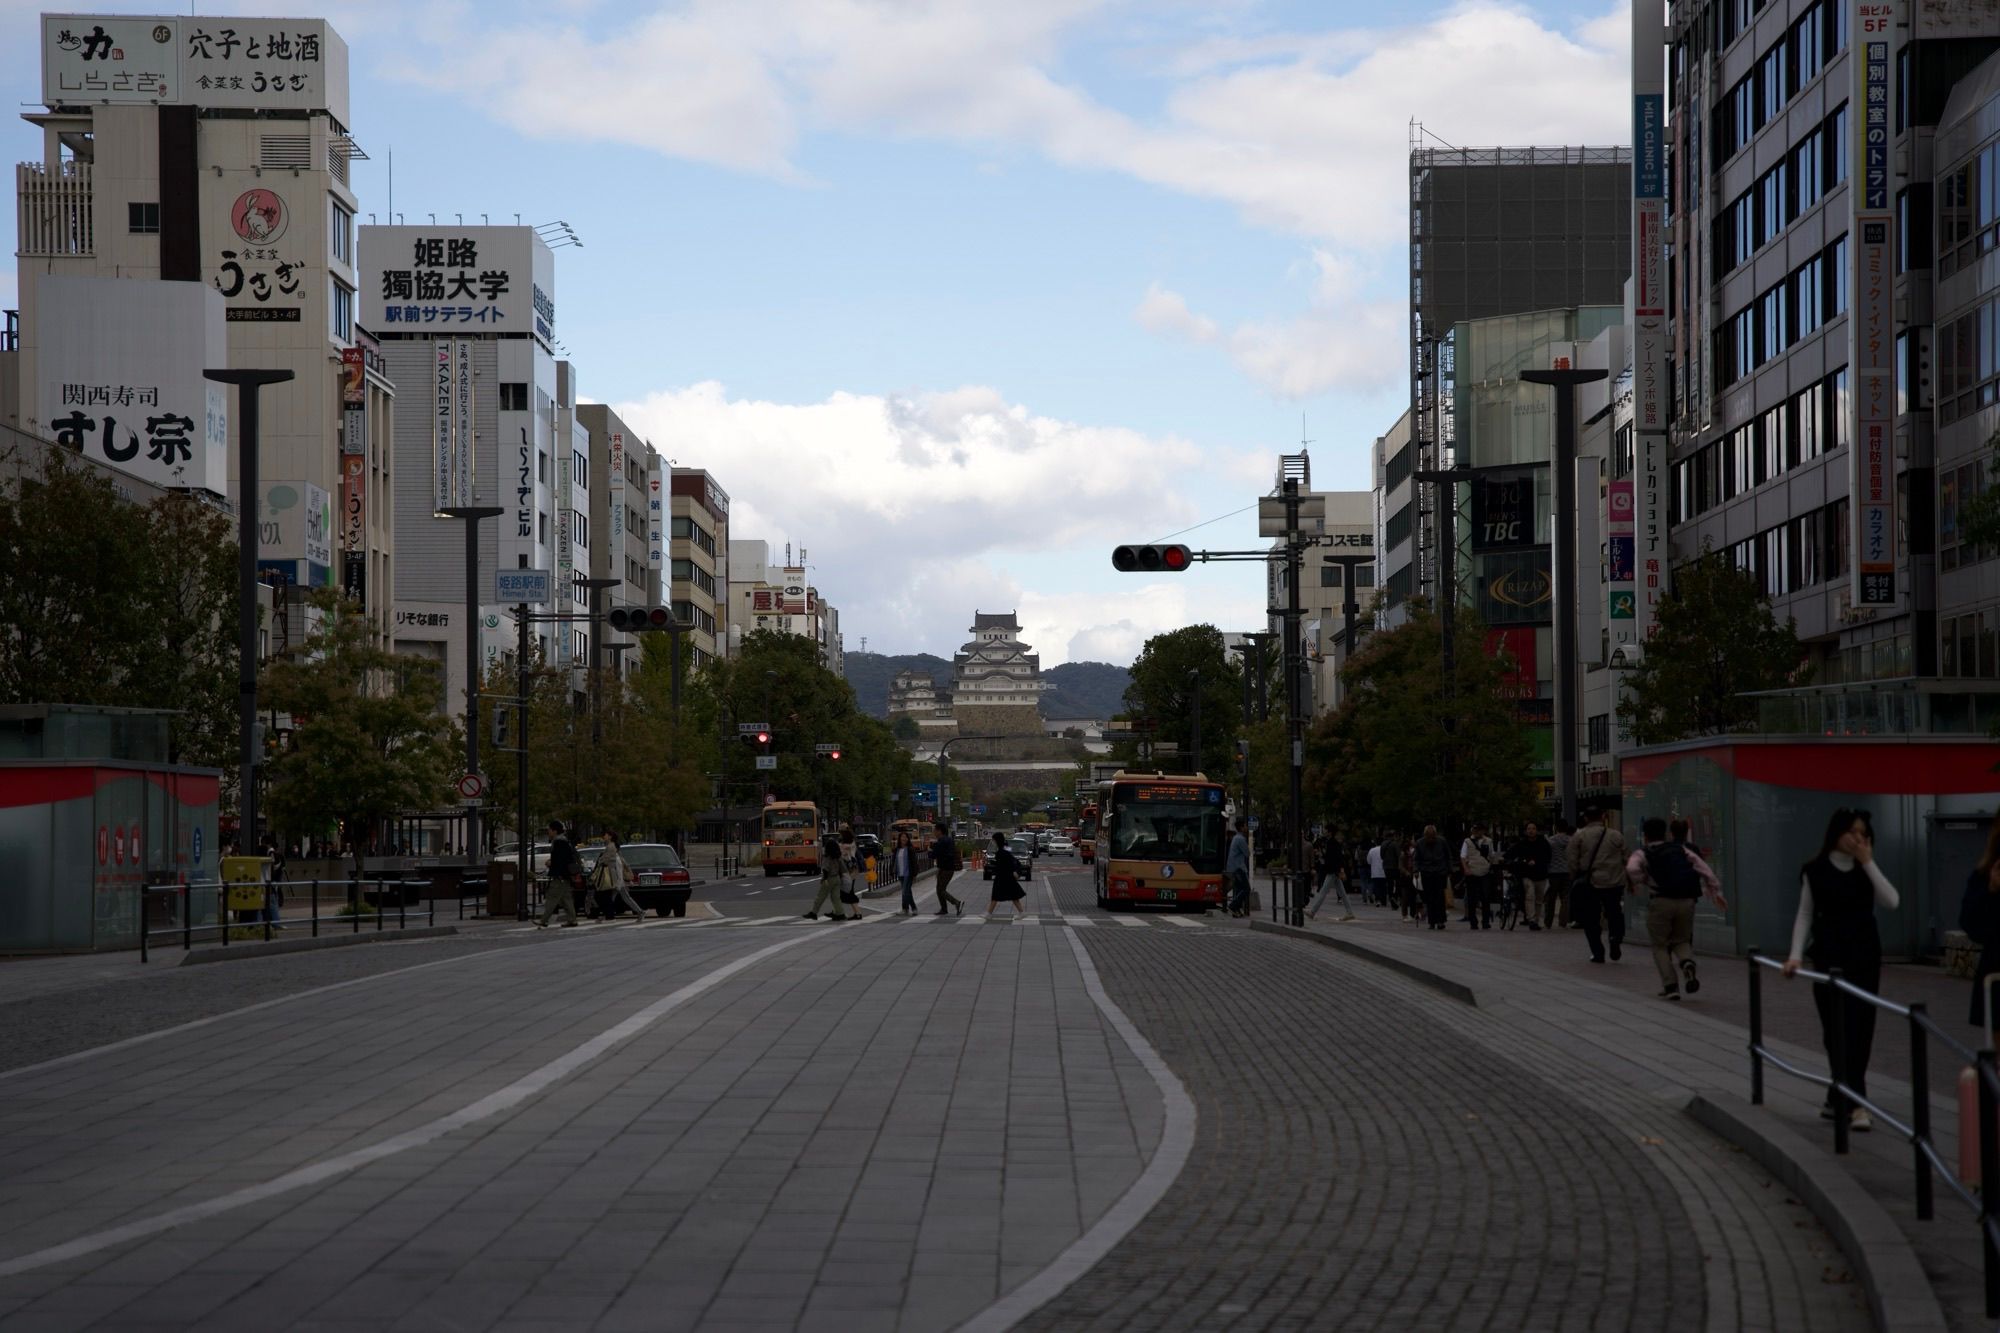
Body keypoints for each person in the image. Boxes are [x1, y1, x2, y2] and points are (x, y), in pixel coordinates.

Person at [1783, 809, 1899, 1132]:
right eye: (1852, 832)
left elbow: (1892, 901)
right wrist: (1794, 956)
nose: (1857, 839)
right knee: (1835, 1031)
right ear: (1836, 833)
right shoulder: (1815, 870)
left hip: (1864, 956)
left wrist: (1868, 862)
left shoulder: (1866, 871)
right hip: (1829, 957)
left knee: (1861, 1028)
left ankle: (1848, 1100)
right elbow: (1805, 914)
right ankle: (1849, 1099)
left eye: (1863, 834)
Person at [1626, 816, 1725, 1000]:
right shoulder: (1681, 849)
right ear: (1665, 833)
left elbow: (1631, 870)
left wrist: (1642, 880)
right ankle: (1687, 962)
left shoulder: (1642, 853)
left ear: (1645, 835)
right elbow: (1704, 869)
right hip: (1686, 901)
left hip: (1661, 901)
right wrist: (1716, 891)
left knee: (1660, 945)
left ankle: (1671, 986)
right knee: (1682, 940)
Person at [1567, 807, 1628, 963]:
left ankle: (1597, 951)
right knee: (1614, 911)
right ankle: (1615, 937)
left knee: (1591, 918)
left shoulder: (1579, 836)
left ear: (1586, 818)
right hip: (1614, 881)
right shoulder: (1616, 835)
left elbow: (1572, 860)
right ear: (1603, 817)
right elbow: (1626, 857)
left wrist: (1574, 877)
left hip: (1590, 881)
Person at [1506, 822, 1553, 932]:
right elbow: (1510, 854)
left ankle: (1536, 920)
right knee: (1530, 896)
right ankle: (1531, 919)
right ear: (1526, 831)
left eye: (1533, 828)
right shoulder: (1522, 844)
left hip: (1541, 874)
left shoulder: (1543, 843)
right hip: (1527, 874)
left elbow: (1548, 857)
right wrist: (1524, 861)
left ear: (1537, 830)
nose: (1531, 830)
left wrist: (1537, 861)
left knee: (1539, 899)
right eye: (1529, 828)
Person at [592, 833, 649, 924]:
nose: (604, 837)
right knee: (618, 898)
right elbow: (623, 864)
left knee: (611, 898)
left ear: (610, 837)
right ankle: (640, 912)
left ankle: (605, 916)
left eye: (606, 835)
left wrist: (600, 861)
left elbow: (607, 861)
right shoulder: (614, 849)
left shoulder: (611, 848)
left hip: (616, 878)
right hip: (617, 878)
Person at [536, 820, 580, 929]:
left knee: (552, 897)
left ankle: (544, 920)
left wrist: (551, 863)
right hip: (565, 875)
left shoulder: (559, 842)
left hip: (559, 875)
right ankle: (572, 919)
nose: (548, 832)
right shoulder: (565, 841)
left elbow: (560, 860)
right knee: (566, 899)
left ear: (554, 831)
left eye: (549, 830)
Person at [1307, 833, 1357, 921]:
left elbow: (1337, 858)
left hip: (1333, 872)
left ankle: (1312, 912)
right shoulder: (1334, 844)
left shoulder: (1333, 844)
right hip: (1335, 871)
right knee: (1342, 893)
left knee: (1323, 892)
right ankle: (1350, 912)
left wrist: (1340, 870)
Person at [1459, 823, 1497, 930]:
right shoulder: (1467, 841)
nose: (1477, 832)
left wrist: (1491, 864)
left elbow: (1491, 855)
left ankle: (1485, 921)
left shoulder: (1488, 841)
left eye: (1479, 830)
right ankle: (1473, 922)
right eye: (1475, 830)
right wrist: (1466, 869)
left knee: (1486, 898)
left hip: (1484, 871)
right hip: (1472, 872)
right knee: (1472, 899)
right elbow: (1463, 856)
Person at [1415, 825, 1452, 928]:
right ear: (1425, 835)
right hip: (1427, 872)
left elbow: (1448, 856)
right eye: (1429, 836)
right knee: (1429, 898)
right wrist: (1416, 870)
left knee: (1440, 897)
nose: (1431, 839)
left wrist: (1449, 870)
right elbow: (1416, 859)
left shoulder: (1442, 841)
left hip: (1440, 872)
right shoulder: (1420, 843)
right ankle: (1432, 921)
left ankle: (1441, 921)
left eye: (1433, 836)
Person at [804, 832, 847, 921]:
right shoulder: (838, 856)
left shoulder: (827, 857)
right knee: (836, 897)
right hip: (837, 878)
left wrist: (824, 878)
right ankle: (840, 913)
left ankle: (814, 912)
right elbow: (843, 868)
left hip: (829, 878)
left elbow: (825, 868)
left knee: (821, 896)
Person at [987, 830, 1028, 918]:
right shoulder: (1004, 849)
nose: (992, 842)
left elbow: (1008, 862)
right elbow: (1010, 860)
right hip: (1007, 877)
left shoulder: (1001, 851)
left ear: (996, 840)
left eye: (993, 840)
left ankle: (989, 913)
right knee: (1012, 895)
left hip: (1003, 877)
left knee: (996, 895)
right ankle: (1022, 912)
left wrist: (1014, 871)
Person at [1544, 819, 1573, 929]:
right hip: (1567, 871)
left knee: (1550, 898)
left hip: (1553, 872)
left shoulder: (1551, 840)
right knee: (1565, 898)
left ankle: (1548, 922)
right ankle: (1563, 921)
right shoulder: (1571, 840)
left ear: (1556, 827)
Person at [933, 822, 964, 916]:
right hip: (948, 868)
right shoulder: (949, 840)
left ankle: (956, 902)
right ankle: (944, 909)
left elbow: (935, 854)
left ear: (939, 831)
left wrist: (930, 852)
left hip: (945, 868)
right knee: (939, 889)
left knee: (941, 889)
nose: (934, 832)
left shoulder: (942, 841)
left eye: (935, 830)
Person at [1225, 818, 1252, 917]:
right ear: (1241, 828)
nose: (1247, 828)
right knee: (1246, 889)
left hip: (1233, 867)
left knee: (1239, 888)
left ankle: (1236, 910)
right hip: (1238, 868)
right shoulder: (1240, 839)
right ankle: (1233, 906)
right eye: (1245, 826)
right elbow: (1247, 853)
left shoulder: (1236, 838)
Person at [893, 830, 918, 915]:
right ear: (899, 839)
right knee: (908, 892)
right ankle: (912, 908)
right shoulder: (897, 849)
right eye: (902, 837)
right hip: (901, 874)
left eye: (905, 837)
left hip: (908, 873)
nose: (903, 838)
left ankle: (905, 909)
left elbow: (914, 862)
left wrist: (915, 874)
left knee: (904, 891)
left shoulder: (910, 849)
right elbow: (893, 861)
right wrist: (891, 872)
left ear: (908, 839)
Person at [1366, 836, 1389, 910]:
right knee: (1384, 887)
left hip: (1375, 872)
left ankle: (1378, 900)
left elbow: (1368, 861)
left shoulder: (1372, 850)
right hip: (1384, 871)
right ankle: (1384, 901)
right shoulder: (1386, 849)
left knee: (1376, 887)